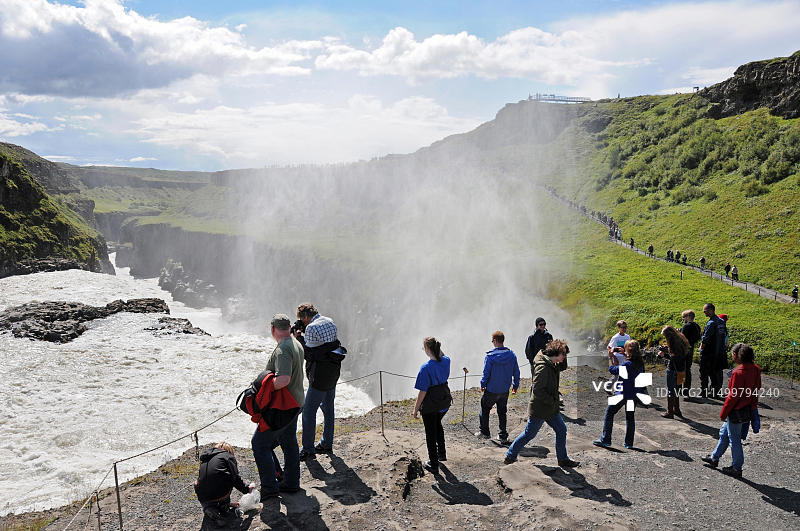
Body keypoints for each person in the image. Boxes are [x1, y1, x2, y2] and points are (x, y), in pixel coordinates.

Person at [252, 314, 305, 497]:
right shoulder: (295, 342)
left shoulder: (283, 349)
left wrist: (263, 388)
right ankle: (291, 482)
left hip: (284, 407)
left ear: (273, 329)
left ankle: (269, 488)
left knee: (259, 444)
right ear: (289, 327)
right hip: (296, 402)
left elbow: (283, 379)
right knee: (288, 441)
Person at [504, 340, 579, 468]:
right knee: (529, 434)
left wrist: (563, 350)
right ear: (556, 353)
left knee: (561, 429)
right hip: (540, 408)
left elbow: (563, 367)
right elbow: (538, 390)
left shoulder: (552, 362)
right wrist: (553, 401)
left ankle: (562, 459)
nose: (565, 358)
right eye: (564, 355)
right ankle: (510, 456)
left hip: (550, 408)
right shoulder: (543, 367)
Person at [702, 343, 761, 478]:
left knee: (734, 439)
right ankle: (714, 457)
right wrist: (753, 406)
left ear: (737, 356)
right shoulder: (756, 369)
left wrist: (724, 413)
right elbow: (756, 389)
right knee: (724, 433)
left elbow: (732, 396)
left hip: (735, 411)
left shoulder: (738, 373)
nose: (732, 356)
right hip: (746, 408)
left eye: (733, 354)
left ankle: (737, 468)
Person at [294, 303, 345, 460]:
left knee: (308, 412)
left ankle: (308, 449)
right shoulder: (329, 321)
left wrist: (298, 338)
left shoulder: (311, 328)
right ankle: (326, 443)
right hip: (333, 372)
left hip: (320, 377)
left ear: (306, 317)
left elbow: (309, 353)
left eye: (301, 320)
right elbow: (323, 346)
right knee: (328, 408)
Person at [593, 339, 645, 449]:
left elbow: (612, 369)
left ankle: (606, 439)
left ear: (628, 351)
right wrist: (625, 353)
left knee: (610, 413)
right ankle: (629, 443)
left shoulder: (627, 364)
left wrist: (610, 357)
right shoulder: (640, 363)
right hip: (634, 394)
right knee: (630, 417)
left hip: (622, 393)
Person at [413, 336, 451, 474]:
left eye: (424, 348)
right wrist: (436, 348)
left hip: (430, 404)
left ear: (428, 349)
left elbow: (423, 391)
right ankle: (442, 453)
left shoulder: (426, 368)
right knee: (437, 424)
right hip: (444, 400)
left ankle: (433, 464)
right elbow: (442, 355)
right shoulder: (446, 361)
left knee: (430, 433)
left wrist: (416, 409)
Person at [195, 442, 253, 525]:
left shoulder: (206, 459)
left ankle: (209, 508)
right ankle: (224, 506)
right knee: (226, 477)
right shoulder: (227, 456)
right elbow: (235, 478)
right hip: (220, 494)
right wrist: (247, 489)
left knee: (199, 483)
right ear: (229, 451)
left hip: (203, 496)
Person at [477, 331, 520, 444]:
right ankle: (503, 435)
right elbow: (516, 372)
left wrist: (483, 384)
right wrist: (515, 386)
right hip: (504, 390)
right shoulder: (512, 355)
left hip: (491, 389)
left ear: (495, 341)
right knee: (502, 412)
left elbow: (486, 373)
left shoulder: (490, 357)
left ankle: (485, 432)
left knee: (485, 409)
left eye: (492, 341)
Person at [658, 326, 689, 418]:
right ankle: (677, 410)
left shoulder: (674, 344)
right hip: (682, 370)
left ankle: (669, 412)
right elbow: (679, 356)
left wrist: (664, 355)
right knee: (676, 390)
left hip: (673, 370)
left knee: (671, 390)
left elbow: (674, 359)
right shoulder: (681, 341)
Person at [699, 304, 727, 399]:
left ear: (711, 310)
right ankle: (714, 392)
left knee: (704, 372)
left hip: (709, 352)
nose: (704, 312)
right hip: (719, 352)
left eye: (705, 310)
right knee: (715, 373)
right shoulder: (722, 322)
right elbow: (724, 335)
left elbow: (705, 338)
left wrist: (701, 349)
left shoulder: (711, 323)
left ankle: (704, 392)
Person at [680, 310, 702, 397]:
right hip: (691, 348)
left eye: (684, 317)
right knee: (688, 370)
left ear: (688, 317)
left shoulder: (686, 326)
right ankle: (686, 389)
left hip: (684, 350)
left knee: (681, 369)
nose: (683, 319)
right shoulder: (697, 326)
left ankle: (680, 389)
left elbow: (681, 338)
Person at [607, 320, 631, 387]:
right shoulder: (615, 337)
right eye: (622, 327)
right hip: (617, 357)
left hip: (624, 357)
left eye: (625, 327)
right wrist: (613, 357)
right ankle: (609, 386)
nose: (624, 329)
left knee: (624, 373)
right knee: (617, 374)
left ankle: (619, 389)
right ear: (619, 328)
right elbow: (609, 347)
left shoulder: (627, 337)